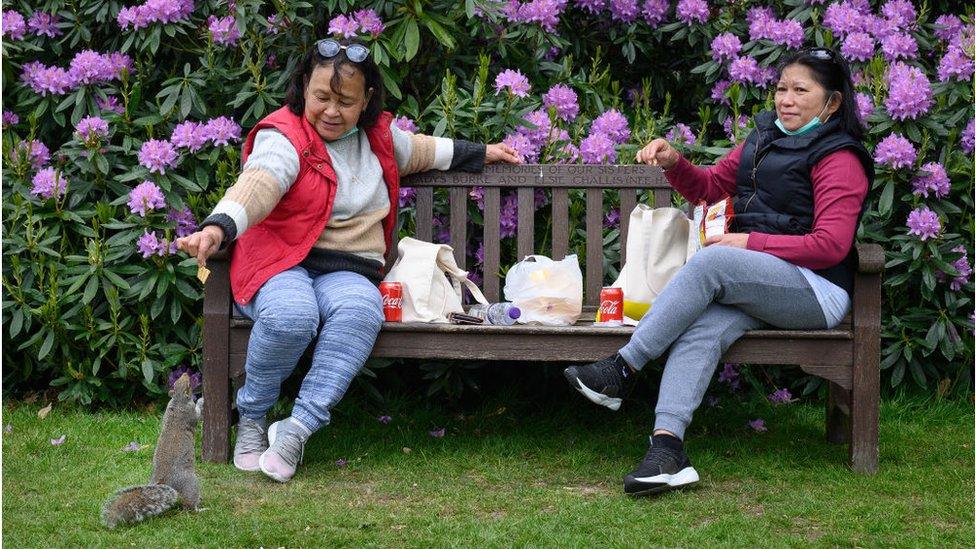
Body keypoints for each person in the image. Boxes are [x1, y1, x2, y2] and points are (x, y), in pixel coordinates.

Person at [177, 37, 520, 483]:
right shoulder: (283, 137)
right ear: (304, 87)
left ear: (366, 102)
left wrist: (481, 152)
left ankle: (297, 429)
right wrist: (218, 226)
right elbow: (259, 184)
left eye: (345, 101)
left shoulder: (378, 139)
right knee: (290, 315)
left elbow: (421, 150)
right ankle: (254, 416)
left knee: (361, 311)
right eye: (321, 97)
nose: (331, 111)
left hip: (347, 269)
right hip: (282, 262)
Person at [563, 48, 873, 496]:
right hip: (761, 282)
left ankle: (623, 369)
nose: (786, 99)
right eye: (781, 88)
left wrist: (747, 242)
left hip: (815, 290)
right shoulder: (762, 139)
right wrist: (674, 162)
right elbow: (709, 188)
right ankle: (668, 452)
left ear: (833, 102)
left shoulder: (840, 158)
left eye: (801, 90)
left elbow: (830, 245)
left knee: (713, 260)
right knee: (702, 329)